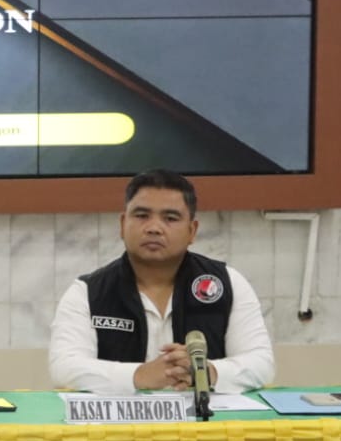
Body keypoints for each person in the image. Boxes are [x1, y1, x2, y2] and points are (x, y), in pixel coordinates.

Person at [48, 168, 275, 394]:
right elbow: (64, 368)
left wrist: (206, 372)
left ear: (192, 231)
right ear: (123, 224)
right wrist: (139, 376)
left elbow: (261, 363)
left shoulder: (228, 283)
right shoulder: (87, 292)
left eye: (170, 218)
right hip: (122, 417)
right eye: (142, 216)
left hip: (206, 416)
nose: (154, 228)